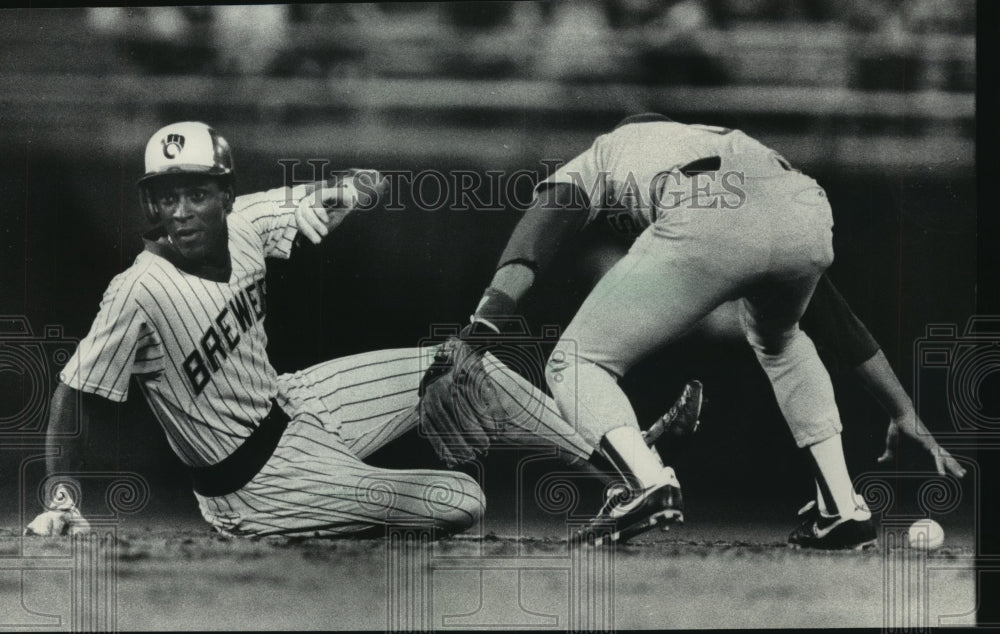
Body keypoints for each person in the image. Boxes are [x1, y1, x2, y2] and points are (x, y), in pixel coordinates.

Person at [23, 121, 596, 539]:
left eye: (196, 193)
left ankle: (621, 469)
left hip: (296, 402)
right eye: (166, 196)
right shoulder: (139, 291)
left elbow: (363, 182)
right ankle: (303, 522)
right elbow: (73, 395)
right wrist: (63, 497)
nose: (180, 212)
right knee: (462, 499)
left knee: (469, 367)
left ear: (224, 194)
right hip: (251, 486)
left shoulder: (246, 221)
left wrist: (354, 188)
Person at [463, 112, 963, 548]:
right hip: (802, 202)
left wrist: (481, 328)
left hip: (703, 200)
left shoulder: (604, 152)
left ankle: (645, 483)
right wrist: (903, 410)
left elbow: (533, 240)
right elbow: (836, 319)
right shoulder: (702, 138)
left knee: (575, 360)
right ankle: (841, 507)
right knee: (781, 338)